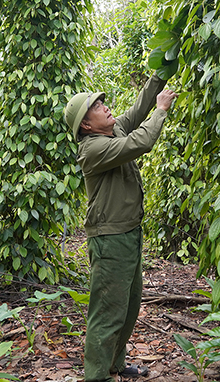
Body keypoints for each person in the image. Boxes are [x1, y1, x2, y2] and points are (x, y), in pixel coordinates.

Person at [63, 71, 178, 382]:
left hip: (129, 234)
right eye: (98, 107)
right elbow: (142, 141)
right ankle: (96, 375)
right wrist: (162, 110)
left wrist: (159, 75)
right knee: (107, 313)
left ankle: (115, 363)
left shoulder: (112, 132)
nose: (106, 107)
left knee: (128, 308)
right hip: (110, 240)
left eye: (103, 102)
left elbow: (137, 110)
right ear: (86, 125)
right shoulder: (93, 149)